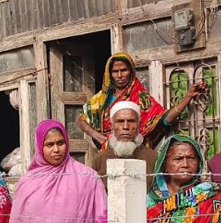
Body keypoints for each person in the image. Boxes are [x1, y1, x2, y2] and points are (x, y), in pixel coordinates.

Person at [75, 52, 207, 150]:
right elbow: (80, 119)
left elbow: (164, 120)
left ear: (131, 72)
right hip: (108, 152)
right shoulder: (102, 99)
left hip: (136, 152)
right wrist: (97, 136)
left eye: (124, 70)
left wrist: (188, 96)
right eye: (115, 71)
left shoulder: (141, 98)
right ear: (110, 74)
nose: (120, 75)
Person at [90, 100, 158, 190]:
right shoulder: (99, 160)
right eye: (120, 121)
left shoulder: (153, 158)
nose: (125, 126)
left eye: (131, 121)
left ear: (139, 125)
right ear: (111, 126)